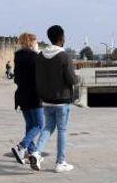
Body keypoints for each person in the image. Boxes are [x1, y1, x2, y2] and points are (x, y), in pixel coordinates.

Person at [29, 25, 79, 173]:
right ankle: (60, 162)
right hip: (62, 100)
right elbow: (71, 79)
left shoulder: (40, 56)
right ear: (61, 38)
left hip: (46, 100)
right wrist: (78, 79)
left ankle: (37, 153)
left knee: (48, 127)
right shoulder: (64, 56)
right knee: (62, 130)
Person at [11, 33, 43, 166]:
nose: (37, 43)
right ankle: (21, 147)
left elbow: (16, 78)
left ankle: (32, 153)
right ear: (31, 42)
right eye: (36, 41)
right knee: (39, 125)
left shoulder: (17, 57)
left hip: (22, 96)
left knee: (30, 125)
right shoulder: (35, 57)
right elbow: (40, 78)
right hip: (34, 96)